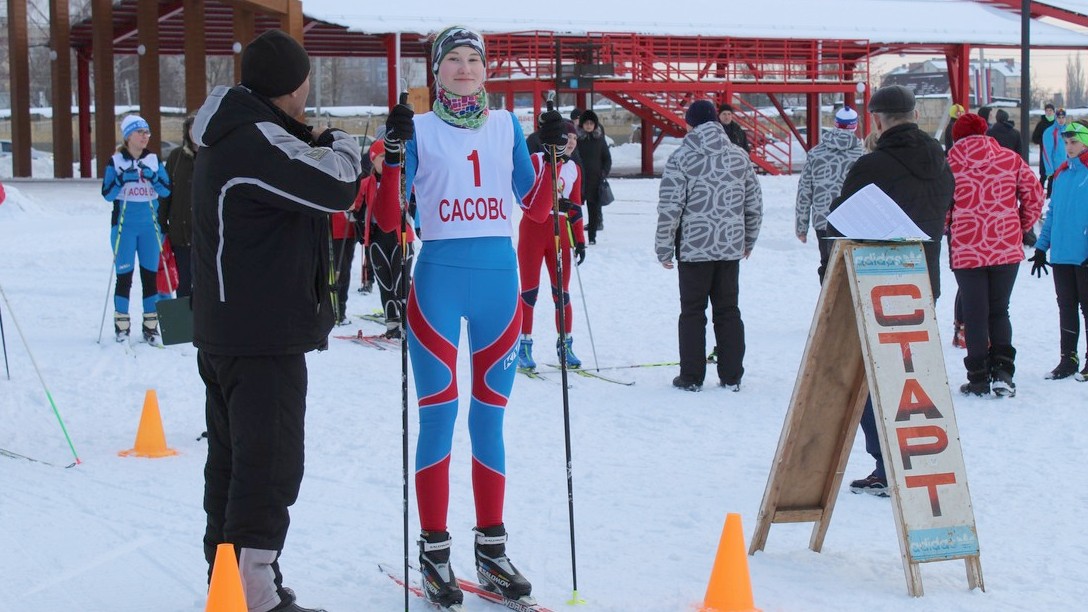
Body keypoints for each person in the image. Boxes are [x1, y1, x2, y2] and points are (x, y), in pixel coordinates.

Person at [374, 25, 566, 609]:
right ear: (436, 71)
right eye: (452, 59)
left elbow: (535, 208)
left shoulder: (506, 124)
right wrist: (392, 157)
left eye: (473, 60)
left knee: (490, 417)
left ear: (486, 69)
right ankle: (435, 551)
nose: (464, 68)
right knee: (438, 413)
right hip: (438, 279)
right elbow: (387, 216)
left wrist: (550, 155)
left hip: (498, 282)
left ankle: (492, 547)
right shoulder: (420, 128)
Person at [191, 29, 361, 612]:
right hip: (260, 334)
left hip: (231, 329)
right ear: (295, 84)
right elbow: (337, 186)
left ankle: (228, 585)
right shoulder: (250, 141)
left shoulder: (236, 129)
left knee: (235, 463)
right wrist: (340, 139)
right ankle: (255, 596)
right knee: (269, 467)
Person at [825, 85, 954, 496]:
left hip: (876, 281)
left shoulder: (873, 165)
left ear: (876, 120)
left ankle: (886, 463)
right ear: (914, 115)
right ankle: (918, 461)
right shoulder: (940, 160)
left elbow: (839, 224)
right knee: (912, 375)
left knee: (868, 377)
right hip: (922, 279)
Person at [656, 99, 762, 392]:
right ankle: (731, 375)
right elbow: (753, 205)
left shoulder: (682, 158)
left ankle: (691, 376)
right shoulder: (739, 156)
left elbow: (670, 208)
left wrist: (664, 247)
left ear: (690, 124)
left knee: (692, 312)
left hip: (694, 248)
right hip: (729, 247)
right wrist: (748, 239)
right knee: (728, 310)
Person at [946, 113, 1044, 396]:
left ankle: (977, 378)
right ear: (985, 132)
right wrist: (1020, 225)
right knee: (1000, 311)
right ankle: (1003, 373)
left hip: (967, 249)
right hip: (1005, 246)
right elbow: (1034, 195)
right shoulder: (1010, 159)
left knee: (975, 315)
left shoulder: (950, 164)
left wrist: (950, 225)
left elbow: (942, 204)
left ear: (957, 137)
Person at [517, 120, 586, 370]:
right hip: (534, 231)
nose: (571, 142)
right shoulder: (536, 160)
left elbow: (576, 207)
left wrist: (580, 241)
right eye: (566, 137)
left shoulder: (574, 169)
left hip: (559, 233)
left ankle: (565, 345)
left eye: (575, 139)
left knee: (562, 292)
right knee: (529, 292)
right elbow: (526, 195)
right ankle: (523, 345)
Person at [101, 114, 172, 345]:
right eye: (141, 132)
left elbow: (166, 190)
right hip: (124, 227)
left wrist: (152, 177)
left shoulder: (153, 159)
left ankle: (150, 327)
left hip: (149, 227)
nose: (145, 137)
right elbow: (107, 193)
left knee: (150, 277)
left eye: (147, 132)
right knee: (124, 277)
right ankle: (122, 326)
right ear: (128, 136)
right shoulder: (116, 161)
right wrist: (122, 179)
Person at [1029, 121, 1088, 381]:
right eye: (1066, 143)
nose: (1069, 147)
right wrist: (1042, 247)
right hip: (1062, 254)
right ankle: (1068, 358)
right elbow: (1052, 213)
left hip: (1084, 254)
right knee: (1066, 306)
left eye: (1074, 142)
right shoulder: (1062, 174)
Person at [795, 107, 864, 281]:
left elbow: (804, 191)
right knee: (854, 267)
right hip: (854, 218)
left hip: (823, 218)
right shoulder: (862, 154)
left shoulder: (816, 153)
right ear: (855, 126)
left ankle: (829, 304)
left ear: (835, 124)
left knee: (828, 265)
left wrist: (801, 226)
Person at [355, 139, 416, 336]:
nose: (386, 160)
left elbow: (419, 199)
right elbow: (353, 205)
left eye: (389, 156)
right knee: (385, 284)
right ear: (372, 160)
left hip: (400, 237)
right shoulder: (366, 183)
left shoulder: (403, 179)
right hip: (377, 238)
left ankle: (410, 324)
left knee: (401, 283)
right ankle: (392, 325)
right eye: (382, 157)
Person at [160, 115, 197, 297]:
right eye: (192, 127)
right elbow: (166, 192)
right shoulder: (176, 157)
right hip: (180, 234)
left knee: (205, 286)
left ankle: (204, 325)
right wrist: (162, 223)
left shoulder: (214, 155)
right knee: (183, 285)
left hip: (207, 235)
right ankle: (185, 325)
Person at [575, 109, 611, 245]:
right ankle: (576, 236)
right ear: (582, 125)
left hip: (595, 180)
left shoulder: (600, 140)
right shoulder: (577, 140)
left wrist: (603, 173)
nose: (589, 125)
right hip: (579, 180)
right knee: (575, 209)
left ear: (595, 125)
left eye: (591, 123)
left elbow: (607, 158)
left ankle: (592, 237)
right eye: (586, 123)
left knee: (593, 210)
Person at [1041, 108, 1069, 197]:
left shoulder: (1068, 130)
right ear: (1055, 118)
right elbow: (1046, 152)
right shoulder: (1050, 131)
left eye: (1063, 117)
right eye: (1059, 117)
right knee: (1053, 195)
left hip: (1068, 167)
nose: (1061, 120)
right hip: (1055, 168)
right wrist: (1049, 169)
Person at [1032, 103, 1056, 184]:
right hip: (1044, 152)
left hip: (1055, 153)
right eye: (1047, 110)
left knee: (1054, 175)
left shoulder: (1056, 123)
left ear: (1054, 112)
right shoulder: (1041, 124)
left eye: (1050, 110)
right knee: (1043, 174)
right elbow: (1035, 138)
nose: (1049, 112)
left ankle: (1050, 194)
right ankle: (1040, 192)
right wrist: (1044, 142)